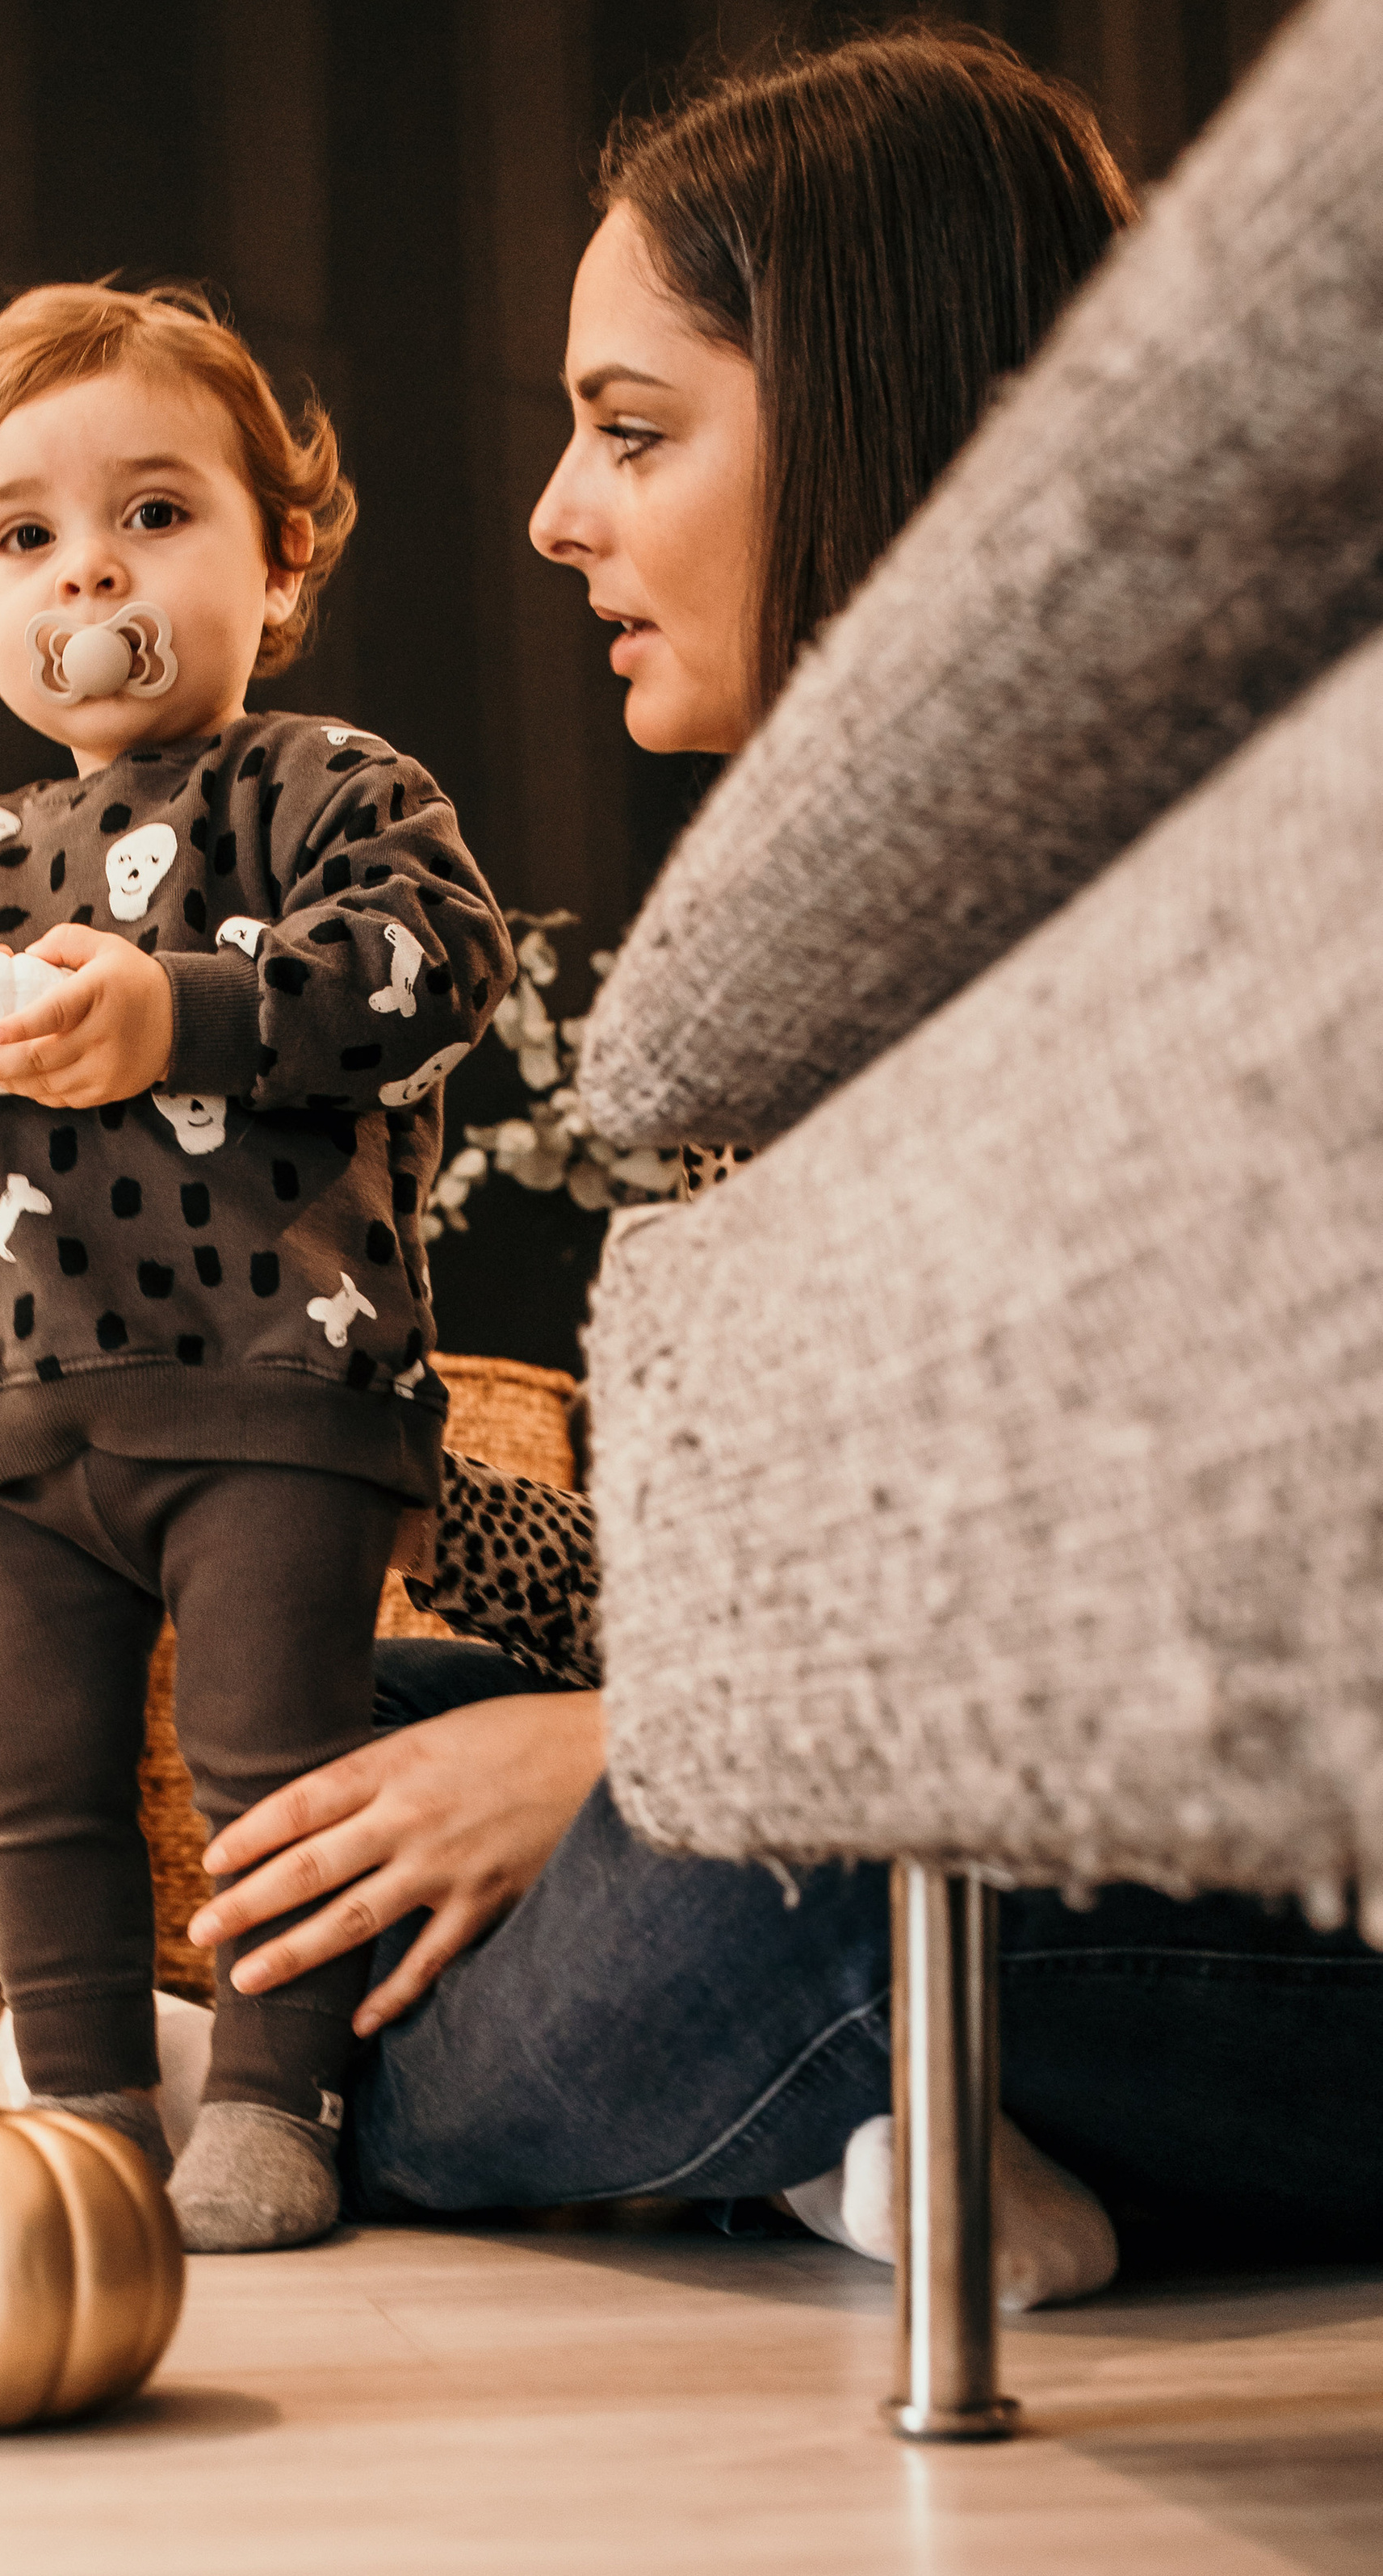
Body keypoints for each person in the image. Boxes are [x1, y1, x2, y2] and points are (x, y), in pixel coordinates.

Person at [182, 32, 1383, 2294]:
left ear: (870, 412)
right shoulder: (839, 972)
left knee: (778, 1877)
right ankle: (860, 2126)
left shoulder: (1202, 924)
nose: (555, 508)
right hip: (899, 1810)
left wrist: (664, 1748)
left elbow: (1190, 1556)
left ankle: (332, 2097)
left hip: (1196, 1893)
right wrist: (396, 1506)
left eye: (634, 429)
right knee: (319, 1733)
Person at [0, 282, 514, 2253]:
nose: (86, 566)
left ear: (279, 559)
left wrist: (179, 1015)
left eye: (155, 514)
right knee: (27, 1781)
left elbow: (438, 964)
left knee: (270, 1757)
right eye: (21, 536)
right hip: (14, 1428)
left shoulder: (324, 786)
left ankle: (280, 2098)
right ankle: (89, 2102)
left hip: (275, 1386)